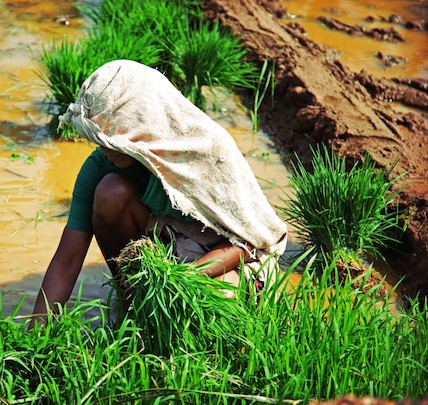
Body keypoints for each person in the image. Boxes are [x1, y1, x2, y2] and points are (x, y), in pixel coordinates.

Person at [32, 59, 287, 323]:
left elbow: (245, 243)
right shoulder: (101, 165)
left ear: (143, 124)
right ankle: (135, 308)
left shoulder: (206, 150)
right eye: (98, 139)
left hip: (228, 256)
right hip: (170, 246)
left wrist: (180, 281)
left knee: (217, 299)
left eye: (114, 139)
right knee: (111, 191)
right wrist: (36, 333)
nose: (106, 150)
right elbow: (68, 258)